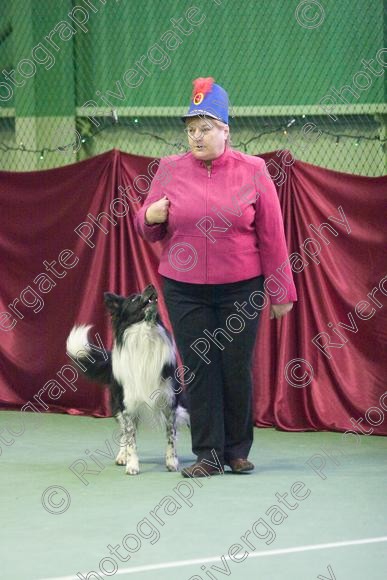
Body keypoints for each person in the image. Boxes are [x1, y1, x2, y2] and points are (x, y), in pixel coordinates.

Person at [134, 77, 297, 478]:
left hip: (242, 287)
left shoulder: (254, 170)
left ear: (226, 129)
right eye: (191, 129)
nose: (196, 136)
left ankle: (237, 450)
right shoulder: (170, 170)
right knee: (201, 365)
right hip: (184, 288)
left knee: (236, 366)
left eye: (205, 128)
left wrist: (281, 291)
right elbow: (147, 223)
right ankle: (207, 453)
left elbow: (272, 236)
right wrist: (147, 216)